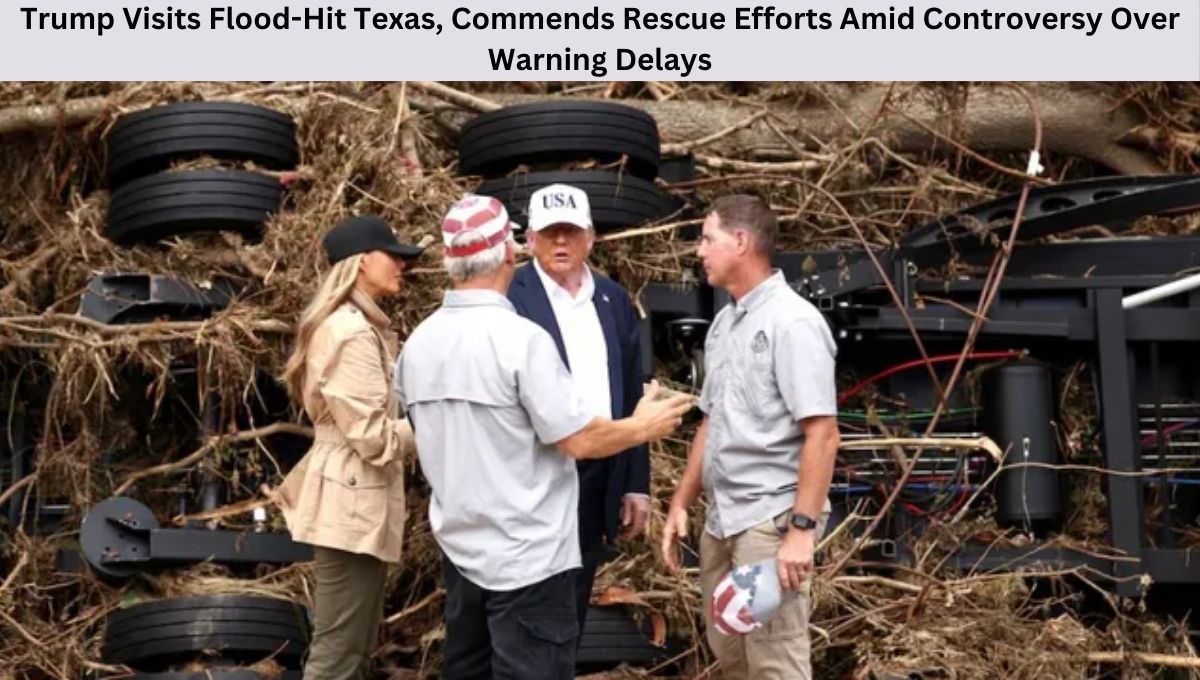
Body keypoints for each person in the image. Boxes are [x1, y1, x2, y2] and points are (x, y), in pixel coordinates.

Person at [394, 195, 694, 680]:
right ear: (513, 251)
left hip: (463, 551)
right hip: (529, 558)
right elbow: (577, 439)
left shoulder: (419, 344)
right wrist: (643, 426)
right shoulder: (521, 340)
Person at [660, 195, 840, 680]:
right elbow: (711, 421)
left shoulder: (794, 323)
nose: (699, 251)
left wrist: (801, 531)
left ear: (741, 242)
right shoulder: (725, 322)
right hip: (724, 521)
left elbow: (823, 434)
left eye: (707, 238)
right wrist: (681, 501)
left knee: (774, 660)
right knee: (731, 656)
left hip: (771, 520)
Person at [274, 215, 425, 680]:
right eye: (392, 255)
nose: (402, 264)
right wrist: (438, 422)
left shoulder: (359, 326)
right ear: (361, 262)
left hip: (354, 500)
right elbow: (374, 438)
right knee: (338, 656)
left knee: (353, 651)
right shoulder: (352, 332)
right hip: (351, 503)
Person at [507, 183, 651, 636]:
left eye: (571, 231)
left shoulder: (612, 299)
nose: (561, 243)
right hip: (535, 473)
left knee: (574, 603)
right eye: (550, 233)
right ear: (530, 239)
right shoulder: (511, 296)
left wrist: (635, 483)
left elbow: (632, 396)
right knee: (531, 610)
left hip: (598, 472)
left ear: (591, 237)